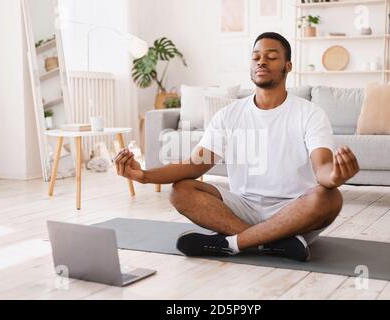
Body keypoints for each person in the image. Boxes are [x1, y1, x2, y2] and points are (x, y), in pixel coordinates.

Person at [114, 32, 359, 262]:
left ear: (288, 66)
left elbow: (323, 168)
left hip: (294, 212)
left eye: (271, 57)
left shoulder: (310, 114)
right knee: (181, 191)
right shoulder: (229, 114)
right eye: (256, 57)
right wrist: (144, 175)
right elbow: (193, 165)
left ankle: (233, 243)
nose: (261, 61)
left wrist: (335, 176)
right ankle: (272, 243)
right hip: (242, 208)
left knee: (329, 198)